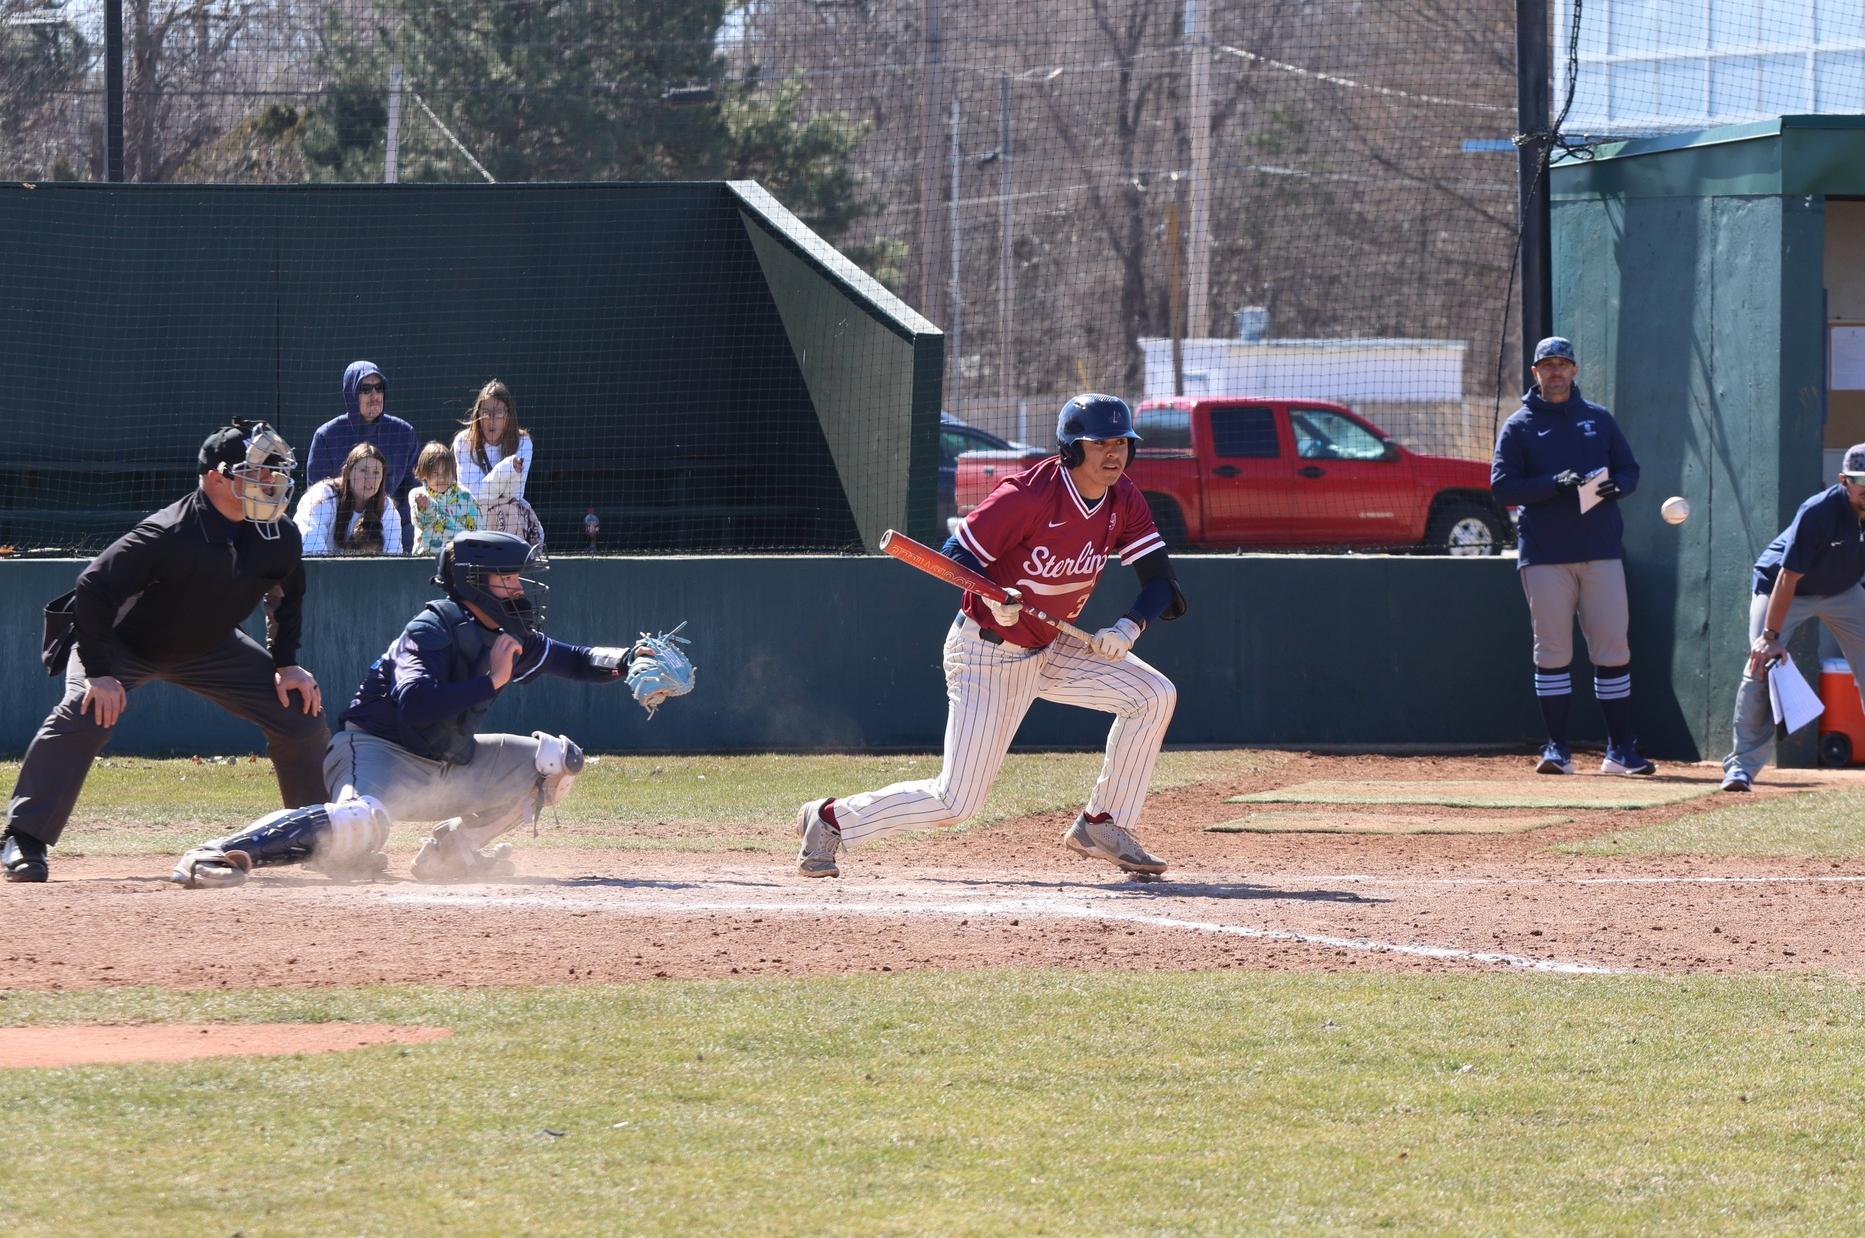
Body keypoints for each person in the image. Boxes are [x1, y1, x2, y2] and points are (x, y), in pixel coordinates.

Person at [795, 394, 1185, 880]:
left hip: (1051, 645)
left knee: (1152, 694)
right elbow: (954, 556)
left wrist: (1127, 627)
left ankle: (1103, 823)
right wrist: (991, 594)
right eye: (1099, 443)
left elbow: (1161, 582)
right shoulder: (1028, 494)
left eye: (1122, 442)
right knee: (956, 801)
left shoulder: (1123, 497)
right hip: (988, 652)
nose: (1114, 453)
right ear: (1071, 448)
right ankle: (831, 819)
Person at [169, 533, 644, 888]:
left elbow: (577, 659)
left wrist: (628, 660)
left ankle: (450, 855)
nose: (520, 589)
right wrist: (491, 682)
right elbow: (415, 704)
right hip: (377, 751)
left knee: (558, 761)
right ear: (474, 583)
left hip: (449, 764)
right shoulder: (431, 628)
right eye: (508, 579)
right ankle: (222, 853)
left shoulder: (509, 635)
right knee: (362, 822)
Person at [1, 421, 327, 884]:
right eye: (259, 474)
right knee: (85, 709)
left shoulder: (277, 533)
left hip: (210, 645)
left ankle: (313, 837)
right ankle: (23, 836)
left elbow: (288, 594)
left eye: (276, 474)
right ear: (217, 477)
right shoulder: (168, 533)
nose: (272, 483)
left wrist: (286, 663)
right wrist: (98, 672)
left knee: (299, 713)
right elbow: (93, 587)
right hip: (123, 645)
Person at [1492, 335, 1653, 777]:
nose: (1557, 372)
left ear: (1575, 370)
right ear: (1536, 373)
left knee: (1613, 649)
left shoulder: (1598, 419)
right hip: (1545, 556)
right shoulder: (1519, 425)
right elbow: (1502, 487)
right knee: (1553, 652)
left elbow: (1629, 470)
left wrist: (1618, 485)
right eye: (1548, 365)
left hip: (1600, 550)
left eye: (1564, 364)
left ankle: (1620, 751)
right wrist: (1551, 483)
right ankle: (1557, 750)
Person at [1719, 445, 1865, 791]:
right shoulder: (1819, 512)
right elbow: (1788, 577)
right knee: (1759, 666)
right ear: (1843, 480)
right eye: (1861, 481)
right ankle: (1741, 768)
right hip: (1784, 590)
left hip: (1843, 591)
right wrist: (1770, 637)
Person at [305, 362, 419, 532]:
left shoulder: (403, 432)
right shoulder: (326, 436)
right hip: (338, 528)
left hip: (390, 526)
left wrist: (388, 520)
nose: (375, 395)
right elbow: (317, 496)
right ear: (351, 394)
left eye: (379, 387)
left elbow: (414, 490)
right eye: (365, 389)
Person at [294, 442, 403, 556]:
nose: (370, 479)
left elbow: (393, 555)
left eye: (376, 472)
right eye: (363, 470)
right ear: (347, 472)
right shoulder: (322, 497)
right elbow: (309, 545)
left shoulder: (387, 509)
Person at [452, 379, 534, 509]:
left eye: (499, 413)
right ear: (478, 414)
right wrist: (508, 468)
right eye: (486, 412)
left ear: (508, 416)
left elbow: (513, 495)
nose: (492, 419)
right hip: (473, 518)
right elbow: (473, 495)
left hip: (509, 518)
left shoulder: (523, 443)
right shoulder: (463, 442)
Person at [408, 441, 482, 556]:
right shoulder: (417, 494)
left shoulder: (465, 495)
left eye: (446, 472)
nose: (442, 478)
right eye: (435, 473)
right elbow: (421, 522)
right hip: (427, 555)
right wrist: (426, 507)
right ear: (423, 474)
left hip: (459, 556)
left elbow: (478, 527)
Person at [477, 451, 545, 550]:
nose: (517, 466)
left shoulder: (522, 508)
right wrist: (509, 465)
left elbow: (538, 541)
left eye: (518, 466)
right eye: (514, 466)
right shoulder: (463, 442)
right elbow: (481, 493)